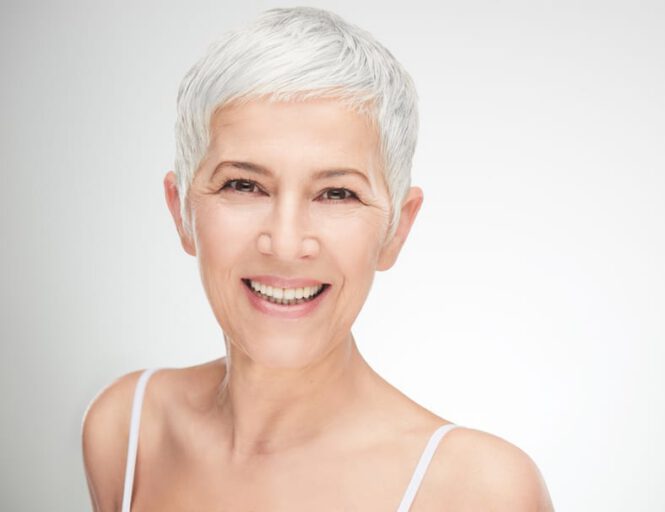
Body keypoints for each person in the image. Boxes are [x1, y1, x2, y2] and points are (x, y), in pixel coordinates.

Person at [81, 7, 554, 511]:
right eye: (244, 185)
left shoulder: (478, 492)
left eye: (337, 194)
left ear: (397, 229)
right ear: (182, 212)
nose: (286, 243)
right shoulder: (126, 429)